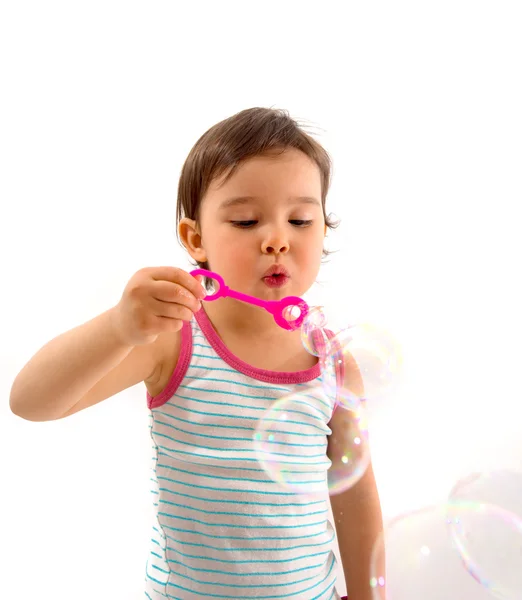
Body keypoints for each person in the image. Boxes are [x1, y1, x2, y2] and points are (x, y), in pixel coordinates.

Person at [10, 107, 383, 599]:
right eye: (247, 221)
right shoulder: (175, 339)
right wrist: (119, 327)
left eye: (300, 219)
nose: (276, 240)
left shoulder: (332, 363)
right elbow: (32, 401)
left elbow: (354, 499)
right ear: (196, 239)